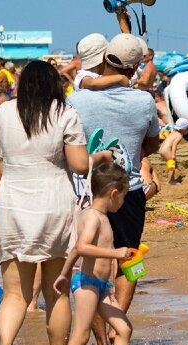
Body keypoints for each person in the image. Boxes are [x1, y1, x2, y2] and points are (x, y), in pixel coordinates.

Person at [0, 60, 88, 345]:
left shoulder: (2, 114)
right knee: (56, 293)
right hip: (55, 201)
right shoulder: (65, 113)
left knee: (16, 293)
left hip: (14, 203)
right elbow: (80, 165)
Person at [67, 34, 160, 315]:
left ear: (104, 58)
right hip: (129, 190)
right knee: (130, 258)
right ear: (134, 69)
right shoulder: (144, 101)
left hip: (87, 190)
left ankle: (102, 342)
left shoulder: (76, 101)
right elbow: (152, 144)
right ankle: (118, 319)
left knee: (92, 266)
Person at [53, 161, 152, 345]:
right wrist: (116, 253)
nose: (123, 203)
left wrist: (63, 273)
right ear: (113, 193)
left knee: (123, 328)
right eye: (123, 198)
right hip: (87, 283)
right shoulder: (93, 217)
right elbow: (82, 246)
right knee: (81, 335)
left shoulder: (102, 216)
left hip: (101, 286)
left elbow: (76, 251)